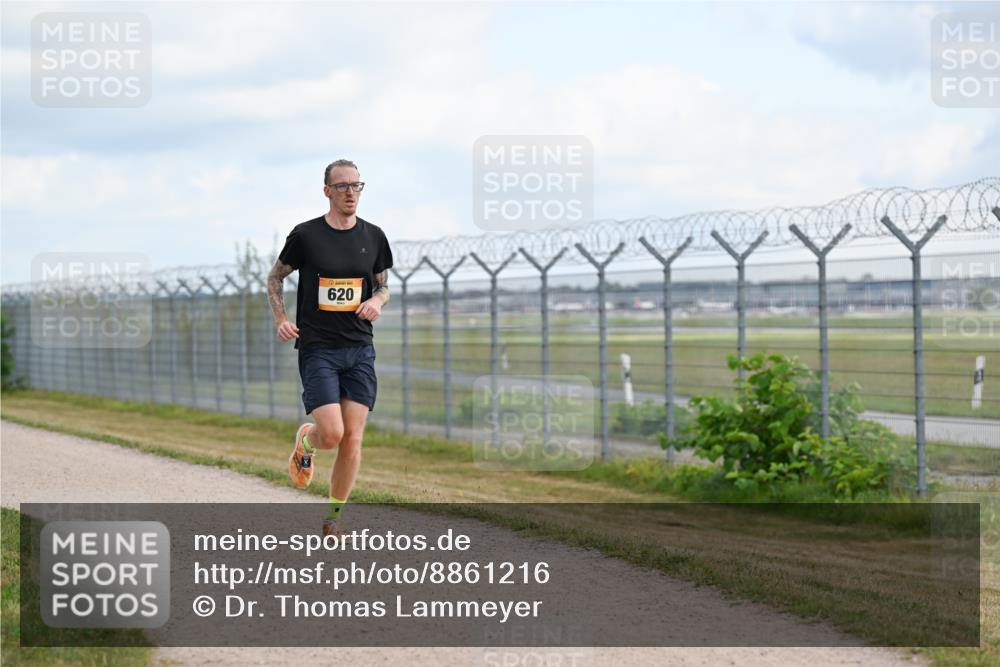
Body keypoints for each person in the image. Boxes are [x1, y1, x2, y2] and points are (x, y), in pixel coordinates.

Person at [266, 159, 393, 536]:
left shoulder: (374, 236)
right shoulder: (306, 235)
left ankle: (333, 517)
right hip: (318, 348)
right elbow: (275, 278)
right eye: (342, 186)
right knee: (332, 434)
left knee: (353, 437)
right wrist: (281, 318)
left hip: (359, 348)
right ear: (327, 192)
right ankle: (307, 440)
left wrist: (377, 301)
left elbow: (383, 285)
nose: (350, 192)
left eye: (356, 185)